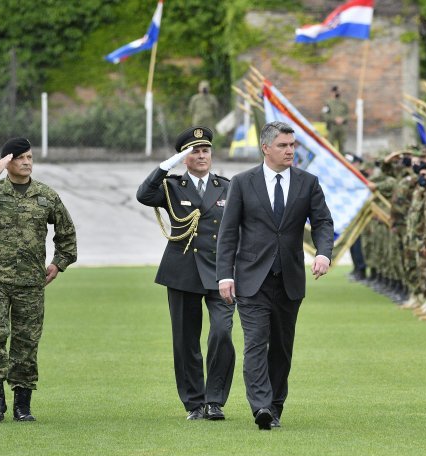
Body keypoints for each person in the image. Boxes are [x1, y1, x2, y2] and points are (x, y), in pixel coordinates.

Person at [216, 121, 334, 430]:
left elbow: (323, 222)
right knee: (256, 342)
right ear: (266, 148)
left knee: (282, 346)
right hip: (252, 278)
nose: (290, 151)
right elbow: (227, 233)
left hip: (290, 279)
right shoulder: (242, 182)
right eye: (283, 145)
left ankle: (276, 404)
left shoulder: (308, 183)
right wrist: (224, 276)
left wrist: (323, 253)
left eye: (293, 145)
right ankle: (261, 407)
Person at [0, 138, 77, 423]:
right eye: (20, 157)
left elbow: (67, 233)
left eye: (29, 157)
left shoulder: (45, 195)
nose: (26, 162)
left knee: (26, 343)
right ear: (7, 162)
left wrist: (59, 264)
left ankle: (23, 404)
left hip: (31, 283)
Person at [136, 126, 235, 421]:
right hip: (183, 271)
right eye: (194, 151)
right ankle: (194, 403)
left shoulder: (227, 187)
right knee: (185, 341)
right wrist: (167, 165)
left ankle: (215, 400)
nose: (201, 156)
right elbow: (144, 194)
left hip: (220, 272)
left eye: (205, 150)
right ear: (185, 157)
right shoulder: (172, 186)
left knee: (221, 333)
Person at [321, 86, 349, 152]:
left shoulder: (343, 103)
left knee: (342, 146)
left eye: (338, 91)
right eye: (335, 91)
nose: (337, 93)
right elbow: (324, 115)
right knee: (330, 146)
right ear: (332, 92)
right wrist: (334, 119)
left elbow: (347, 115)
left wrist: (343, 119)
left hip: (342, 128)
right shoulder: (328, 103)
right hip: (332, 127)